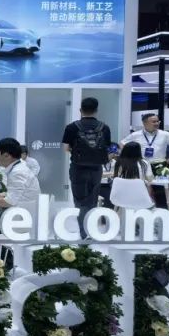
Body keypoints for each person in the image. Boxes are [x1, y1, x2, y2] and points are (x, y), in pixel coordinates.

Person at [62, 97, 112, 238]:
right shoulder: (104, 127)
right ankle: (91, 231)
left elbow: (66, 149)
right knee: (92, 200)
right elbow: (106, 148)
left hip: (78, 168)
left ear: (80, 110)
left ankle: (83, 233)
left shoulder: (72, 127)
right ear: (96, 110)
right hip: (96, 169)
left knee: (80, 201)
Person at [0, 138, 40, 214]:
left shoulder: (17, 172)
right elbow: (14, 194)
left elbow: (10, 201)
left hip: (21, 215)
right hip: (23, 210)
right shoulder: (18, 168)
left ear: (6, 155)